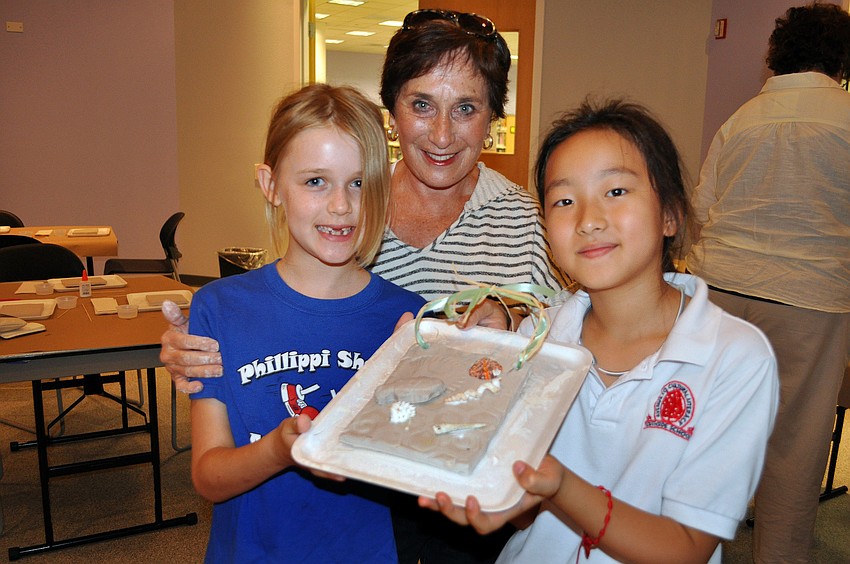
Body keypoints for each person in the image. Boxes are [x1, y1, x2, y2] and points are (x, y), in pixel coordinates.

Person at [162, 10, 567, 564]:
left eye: (466, 108)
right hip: (336, 518)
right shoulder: (353, 218)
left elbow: (561, 337)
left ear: (492, 117)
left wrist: (505, 324)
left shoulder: (525, 220)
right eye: (422, 103)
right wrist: (193, 351)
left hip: (436, 494)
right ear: (393, 112)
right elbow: (264, 316)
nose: (443, 133)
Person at [419, 99, 780, 563]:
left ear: (670, 214)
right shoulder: (536, 337)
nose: (588, 219)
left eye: (615, 191)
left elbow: (686, 549)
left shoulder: (735, 357)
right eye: (564, 201)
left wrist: (562, 487)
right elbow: (524, 514)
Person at [187, 83, 426, 562]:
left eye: (358, 183)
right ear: (271, 185)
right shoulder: (219, 308)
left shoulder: (408, 319)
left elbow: (419, 470)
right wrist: (278, 449)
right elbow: (209, 477)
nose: (341, 205)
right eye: (315, 181)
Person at [685, 4, 850, 562]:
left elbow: (703, 208)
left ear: (777, 57)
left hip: (723, 289)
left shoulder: (743, 119)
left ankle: (688, 545)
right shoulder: (847, 116)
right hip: (811, 299)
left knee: (708, 429)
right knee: (795, 447)